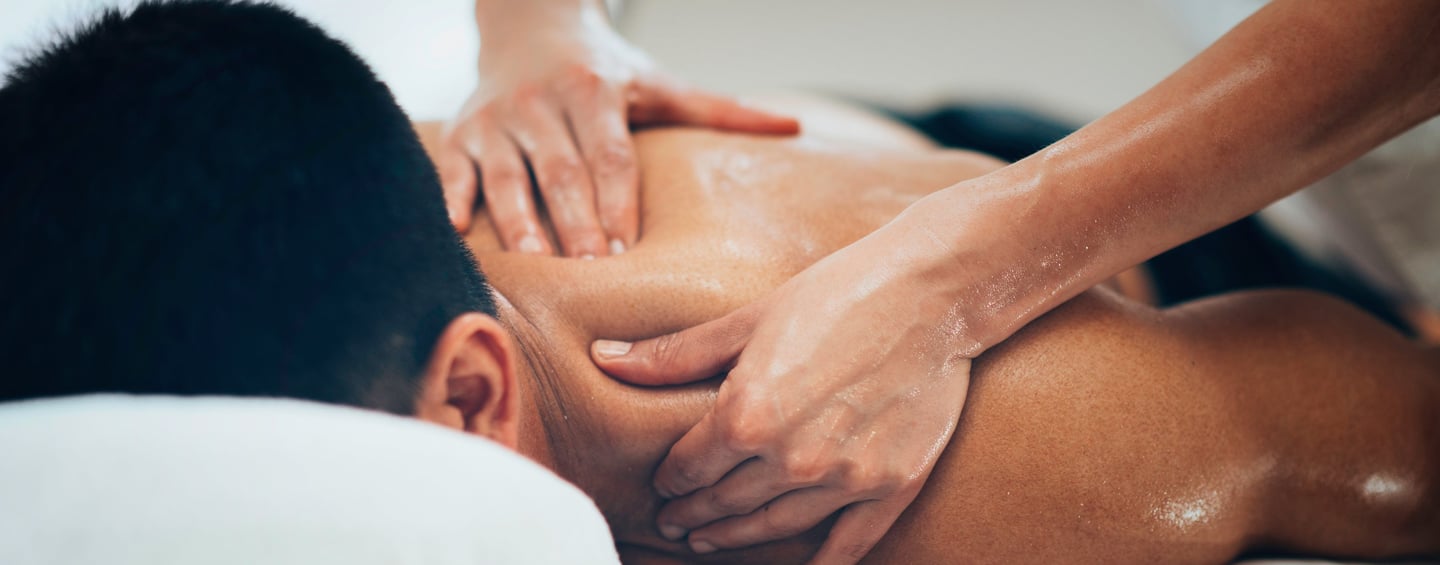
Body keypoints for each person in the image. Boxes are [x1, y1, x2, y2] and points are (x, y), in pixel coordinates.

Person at [3, 2, 1437, 562]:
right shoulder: (301, 178)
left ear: (472, 396)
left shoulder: (1000, 477)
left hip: (1163, 258)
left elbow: (1388, 436)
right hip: (852, 152)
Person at [440, 1, 1440, 559]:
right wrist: (539, 25)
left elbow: (1410, 454)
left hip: (1102, 336)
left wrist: (955, 281)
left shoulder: (1032, 465)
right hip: (909, 154)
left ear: (470, 394)